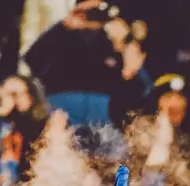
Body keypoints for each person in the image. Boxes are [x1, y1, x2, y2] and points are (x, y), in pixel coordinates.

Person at [23, 1, 121, 130]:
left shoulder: (106, 37)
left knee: (102, 143)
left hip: (100, 103)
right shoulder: (61, 31)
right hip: (63, 99)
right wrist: (64, 25)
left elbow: (121, 68)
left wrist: (115, 36)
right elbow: (31, 58)